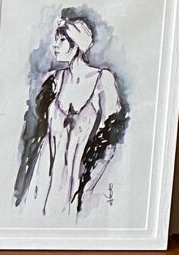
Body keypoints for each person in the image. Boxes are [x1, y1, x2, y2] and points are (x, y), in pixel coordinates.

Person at [14, 11, 128, 218]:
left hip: (80, 175)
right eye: (55, 40)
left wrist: (91, 181)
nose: (55, 45)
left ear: (76, 44)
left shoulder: (103, 80)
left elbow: (112, 137)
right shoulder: (53, 79)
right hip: (44, 174)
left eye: (62, 40)